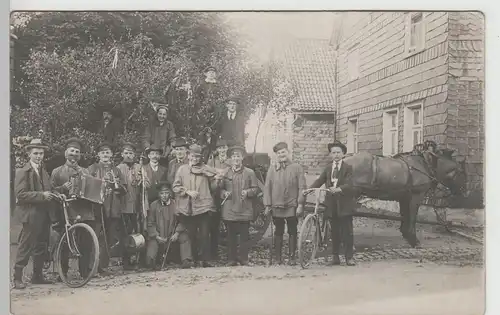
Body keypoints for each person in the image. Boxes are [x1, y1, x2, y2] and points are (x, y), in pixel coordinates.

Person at [13, 139, 59, 289]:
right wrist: (42, 196)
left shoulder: (43, 171)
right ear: (29, 154)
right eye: (36, 153)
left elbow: (50, 190)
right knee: (26, 245)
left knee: (41, 245)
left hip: (44, 214)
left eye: (41, 153)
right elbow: (20, 195)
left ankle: (37, 276)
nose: (39, 156)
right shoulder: (23, 171)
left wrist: (59, 194)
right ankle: (17, 277)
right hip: (30, 214)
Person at [50, 138, 96, 279]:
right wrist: (62, 188)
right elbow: (51, 191)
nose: (74, 154)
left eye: (77, 152)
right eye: (71, 151)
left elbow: (92, 187)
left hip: (82, 211)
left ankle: (85, 272)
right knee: (64, 242)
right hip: (64, 211)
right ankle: (62, 272)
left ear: (80, 156)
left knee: (85, 242)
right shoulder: (57, 172)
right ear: (65, 153)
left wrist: (80, 172)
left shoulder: (85, 171)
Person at [308, 141, 358, 266]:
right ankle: (335, 257)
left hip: (344, 204)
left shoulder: (348, 168)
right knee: (334, 232)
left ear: (343, 154)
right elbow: (320, 180)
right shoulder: (328, 168)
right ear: (331, 154)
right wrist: (309, 189)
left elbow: (350, 184)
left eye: (338, 152)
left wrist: (340, 189)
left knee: (347, 232)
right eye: (333, 152)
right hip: (331, 205)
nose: (336, 155)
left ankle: (349, 257)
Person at [172, 144, 223, 267]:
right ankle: (193, 259)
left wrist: (217, 180)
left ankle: (205, 260)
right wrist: (187, 191)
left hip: (204, 206)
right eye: (193, 156)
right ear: (188, 155)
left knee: (205, 234)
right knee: (192, 234)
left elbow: (213, 189)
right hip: (188, 207)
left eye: (198, 157)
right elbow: (175, 187)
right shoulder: (182, 169)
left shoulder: (206, 169)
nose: (195, 159)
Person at [263, 142, 306, 265]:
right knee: (278, 231)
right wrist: (267, 205)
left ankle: (292, 257)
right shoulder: (272, 169)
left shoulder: (297, 167)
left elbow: (302, 187)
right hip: (277, 205)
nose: (281, 155)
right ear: (276, 155)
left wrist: (300, 204)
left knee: (292, 230)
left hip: (292, 205)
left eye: (283, 152)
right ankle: (278, 257)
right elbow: (267, 187)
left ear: (288, 152)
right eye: (278, 153)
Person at [88, 142, 127, 275]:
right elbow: (87, 186)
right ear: (98, 155)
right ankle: (91, 267)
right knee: (95, 237)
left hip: (112, 208)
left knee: (108, 238)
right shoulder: (92, 168)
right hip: (96, 208)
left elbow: (124, 188)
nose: (105, 155)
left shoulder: (116, 170)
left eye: (108, 152)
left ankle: (103, 267)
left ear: (111, 155)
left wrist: (118, 188)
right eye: (103, 152)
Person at [220, 145, 260, 266]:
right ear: (230, 159)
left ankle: (243, 258)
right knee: (231, 236)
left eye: (238, 156)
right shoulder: (225, 172)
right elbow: (219, 189)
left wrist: (248, 192)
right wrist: (224, 193)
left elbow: (256, 189)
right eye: (233, 156)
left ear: (242, 158)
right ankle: (231, 259)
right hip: (229, 209)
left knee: (244, 236)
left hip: (245, 208)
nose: (236, 158)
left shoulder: (250, 173)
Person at [146, 182, 193, 270]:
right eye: (162, 193)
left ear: (170, 193)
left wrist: (177, 233)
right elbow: (150, 223)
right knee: (152, 241)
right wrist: (156, 236)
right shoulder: (153, 205)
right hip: (159, 236)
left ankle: (186, 260)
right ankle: (151, 261)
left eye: (166, 193)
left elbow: (182, 221)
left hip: (172, 235)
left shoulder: (176, 204)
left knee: (184, 237)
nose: (164, 195)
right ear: (158, 194)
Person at [116, 142, 143, 270]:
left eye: (131, 153)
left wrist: (141, 180)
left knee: (137, 233)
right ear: (122, 154)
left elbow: (147, 183)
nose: (128, 155)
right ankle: (125, 261)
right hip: (123, 206)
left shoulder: (139, 167)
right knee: (124, 234)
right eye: (126, 153)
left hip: (137, 206)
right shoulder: (118, 168)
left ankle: (137, 259)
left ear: (134, 155)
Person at [206, 138, 232, 260]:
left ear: (227, 149)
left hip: (228, 196)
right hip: (214, 196)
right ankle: (213, 253)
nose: (222, 150)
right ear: (217, 150)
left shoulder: (231, 161)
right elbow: (208, 175)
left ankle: (230, 254)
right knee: (214, 226)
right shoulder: (212, 162)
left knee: (230, 224)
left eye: (224, 148)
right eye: (220, 148)